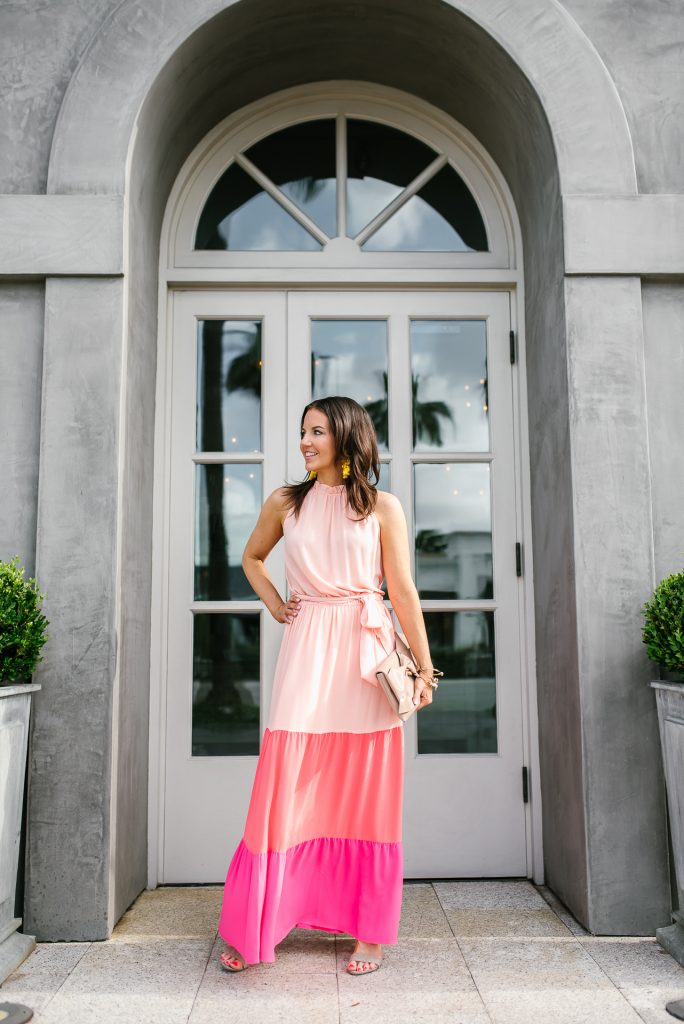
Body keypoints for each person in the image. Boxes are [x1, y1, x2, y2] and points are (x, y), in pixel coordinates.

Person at [216, 395, 438, 975]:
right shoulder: (286, 502)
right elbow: (252, 557)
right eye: (302, 432)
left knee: (366, 791)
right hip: (309, 644)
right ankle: (262, 922)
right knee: (285, 783)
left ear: (346, 436)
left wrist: (423, 665)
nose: (306, 442)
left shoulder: (384, 508)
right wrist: (277, 607)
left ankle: (369, 932)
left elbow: (403, 591)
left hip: (366, 652)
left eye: (317, 431)